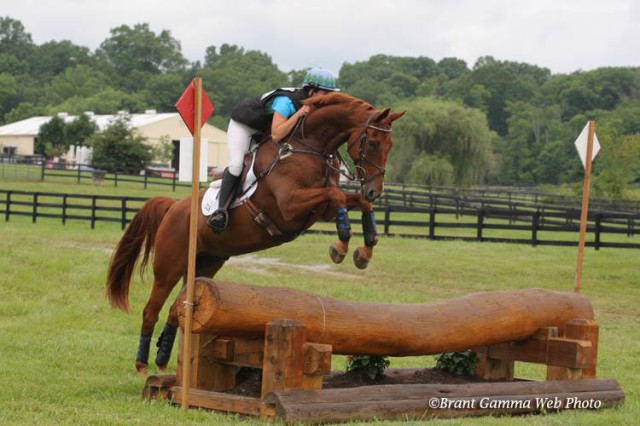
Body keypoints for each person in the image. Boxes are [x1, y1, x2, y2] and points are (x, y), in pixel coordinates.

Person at [207, 67, 340, 232]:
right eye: (325, 92)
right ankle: (220, 211)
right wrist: (298, 114)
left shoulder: (312, 105)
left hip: (264, 131)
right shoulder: (287, 102)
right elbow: (277, 134)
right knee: (236, 165)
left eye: (331, 93)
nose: (329, 97)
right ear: (312, 91)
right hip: (245, 126)